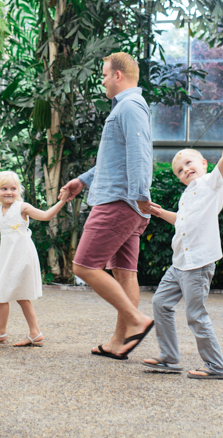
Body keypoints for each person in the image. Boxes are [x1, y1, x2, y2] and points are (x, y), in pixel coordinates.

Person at [58, 52, 155, 360]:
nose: (101, 81)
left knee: (84, 266)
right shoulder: (127, 107)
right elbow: (115, 157)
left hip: (118, 201)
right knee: (125, 272)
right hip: (126, 200)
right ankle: (120, 341)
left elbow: (139, 154)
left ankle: (136, 320)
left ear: (117, 75)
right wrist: (83, 180)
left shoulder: (129, 107)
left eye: (103, 75)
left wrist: (140, 194)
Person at [142, 109, 223, 380]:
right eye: (180, 170)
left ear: (204, 163)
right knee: (161, 302)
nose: (185, 169)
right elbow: (183, 222)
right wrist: (160, 213)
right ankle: (170, 357)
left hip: (198, 264)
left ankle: (215, 367)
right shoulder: (187, 195)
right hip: (180, 263)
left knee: (196, 315)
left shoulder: (212, 184)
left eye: (189, 163)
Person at [0, 171, 67, 347]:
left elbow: (46, 216)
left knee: (10, 292)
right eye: (4, 188)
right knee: (12, 294)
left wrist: (62, 201)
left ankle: (5, 332)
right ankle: (31, 332)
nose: (9, 192)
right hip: (8, 255)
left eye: (13, 188)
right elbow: (1, 225)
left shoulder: (22, 207)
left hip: (22, 254)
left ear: (19, 190)